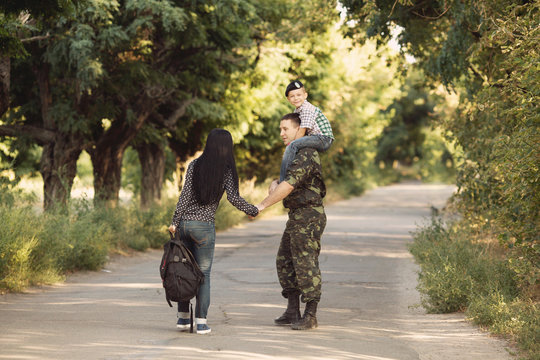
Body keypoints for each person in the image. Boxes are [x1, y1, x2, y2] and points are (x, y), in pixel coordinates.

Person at [168, 128, 259, 334]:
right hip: (204, 228)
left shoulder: (194, 165)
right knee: (203, 275)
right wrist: (252, 210)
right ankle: (200, 322)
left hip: (184, 225)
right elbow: (234, 198)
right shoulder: (226, 170)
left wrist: (175, 221)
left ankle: (183, 319)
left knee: (182, 270)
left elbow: (184, 196)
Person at [257, 113, 327, 330]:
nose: (281, 133)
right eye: (281, 129)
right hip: (297, 215)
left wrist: (262, 205)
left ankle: (310, 315)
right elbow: (284, 181)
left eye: (285, 129)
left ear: (300, 130)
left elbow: (288, 187)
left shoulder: (306, 153)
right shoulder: (294, 152)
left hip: (308, 215)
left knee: (305, 263)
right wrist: (273, 182)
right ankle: (292, 310)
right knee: (285, 261)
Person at [279, 80, 334, 183]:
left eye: (299, 95)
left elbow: (302, 131)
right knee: (294, 146)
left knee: (292, 146)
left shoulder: (307, 109)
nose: (296, 98)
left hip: (323, 138)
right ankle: (290, 173)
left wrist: (291, 146)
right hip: (315, 137)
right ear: (288, 99)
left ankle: (283, 180)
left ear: (305, 95)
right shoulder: (297, 111)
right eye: (292, 96)